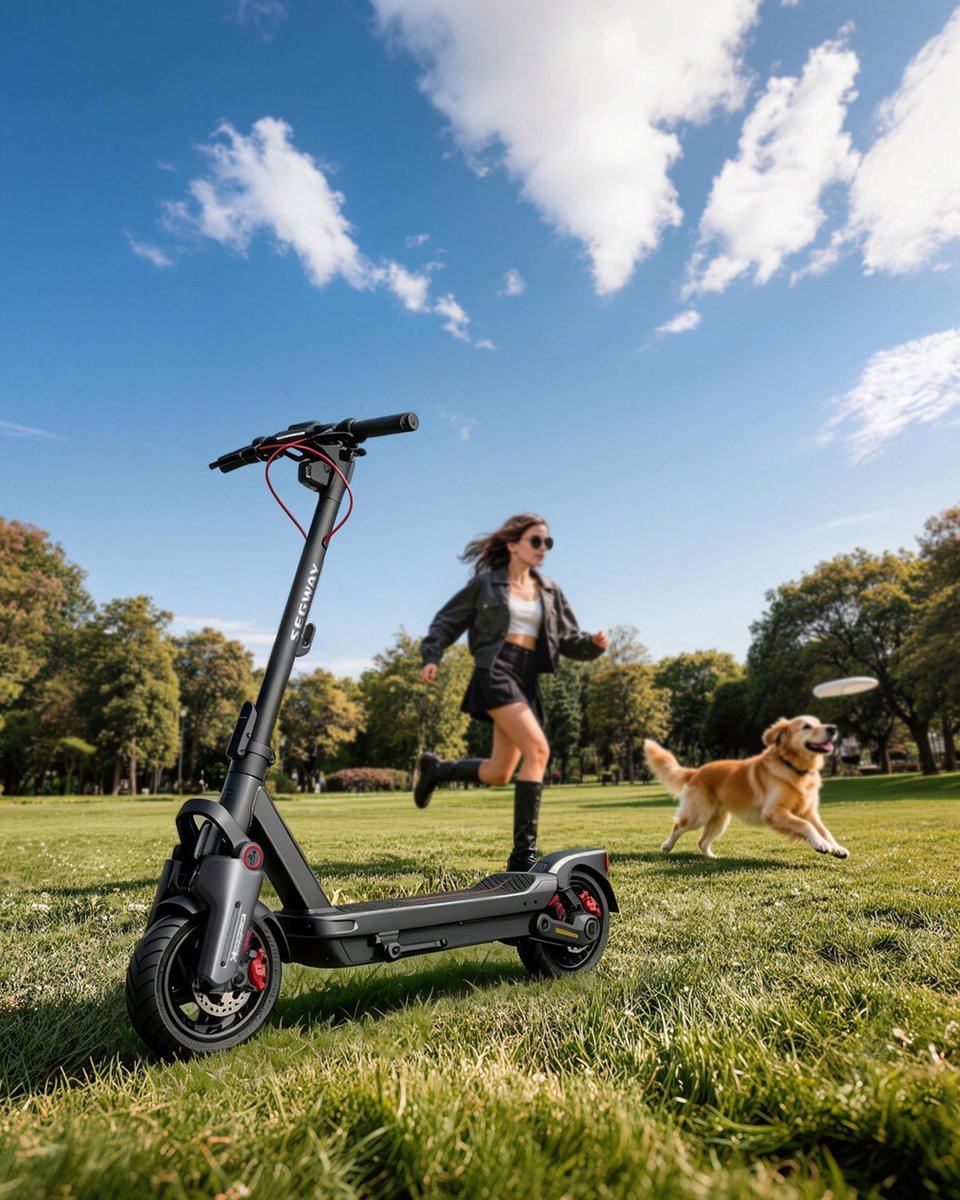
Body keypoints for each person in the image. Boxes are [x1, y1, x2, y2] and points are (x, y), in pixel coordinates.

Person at [415, 513, 608, 871]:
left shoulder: (549, 590)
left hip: (527, 675)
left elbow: (567, 638)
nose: (543, 548)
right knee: (538, 750)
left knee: (499, 773)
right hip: (496, 668)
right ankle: (523, 859)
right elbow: (447, 621)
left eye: (547, 542)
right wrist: (432, 655)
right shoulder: (486, 585)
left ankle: (437, 770)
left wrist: (592, 645)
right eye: (536, 540)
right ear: (513, 545)